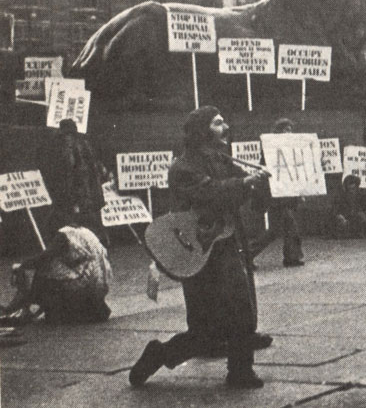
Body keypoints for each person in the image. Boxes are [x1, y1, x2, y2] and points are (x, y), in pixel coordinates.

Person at [129, 106, 272, 389]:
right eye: (218, 123)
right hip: (196, 252)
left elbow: (246, 195)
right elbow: (211, 193)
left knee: (241, 311)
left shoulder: (222, 160)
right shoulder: (183, 167)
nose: (226, 127)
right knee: (205, 332)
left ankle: (240, 371)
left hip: (224, 246)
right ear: (202, 131)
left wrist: (261, 186)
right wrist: (245, 182)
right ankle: (158, 354)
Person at [0, 225, 112, 325]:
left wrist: (21, 266)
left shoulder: (64, 234)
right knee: (54, 267)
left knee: (44, 269)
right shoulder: (85, 232)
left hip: (86, 287)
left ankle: (22, 308)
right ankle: (29, 307)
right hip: (100, 287)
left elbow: (44, 258)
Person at [40, 119, 109, 248]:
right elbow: (98, 168)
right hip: (91, 192)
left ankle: (79, 246)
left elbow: (69, 169)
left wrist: (71, 196)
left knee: (75, 221)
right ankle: (101, 243)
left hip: (78, 192)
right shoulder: (85, 142)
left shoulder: (67, 143)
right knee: (91, 221)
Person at [270, 118, 305, 267]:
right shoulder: (270, 147)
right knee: (291, 227)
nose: (289, 132)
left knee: (278, 230)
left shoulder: (292, 150)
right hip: (279, 196)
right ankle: (292, 258)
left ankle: (291, 257)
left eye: (290, 130)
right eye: (285, 129)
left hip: (289, 196)